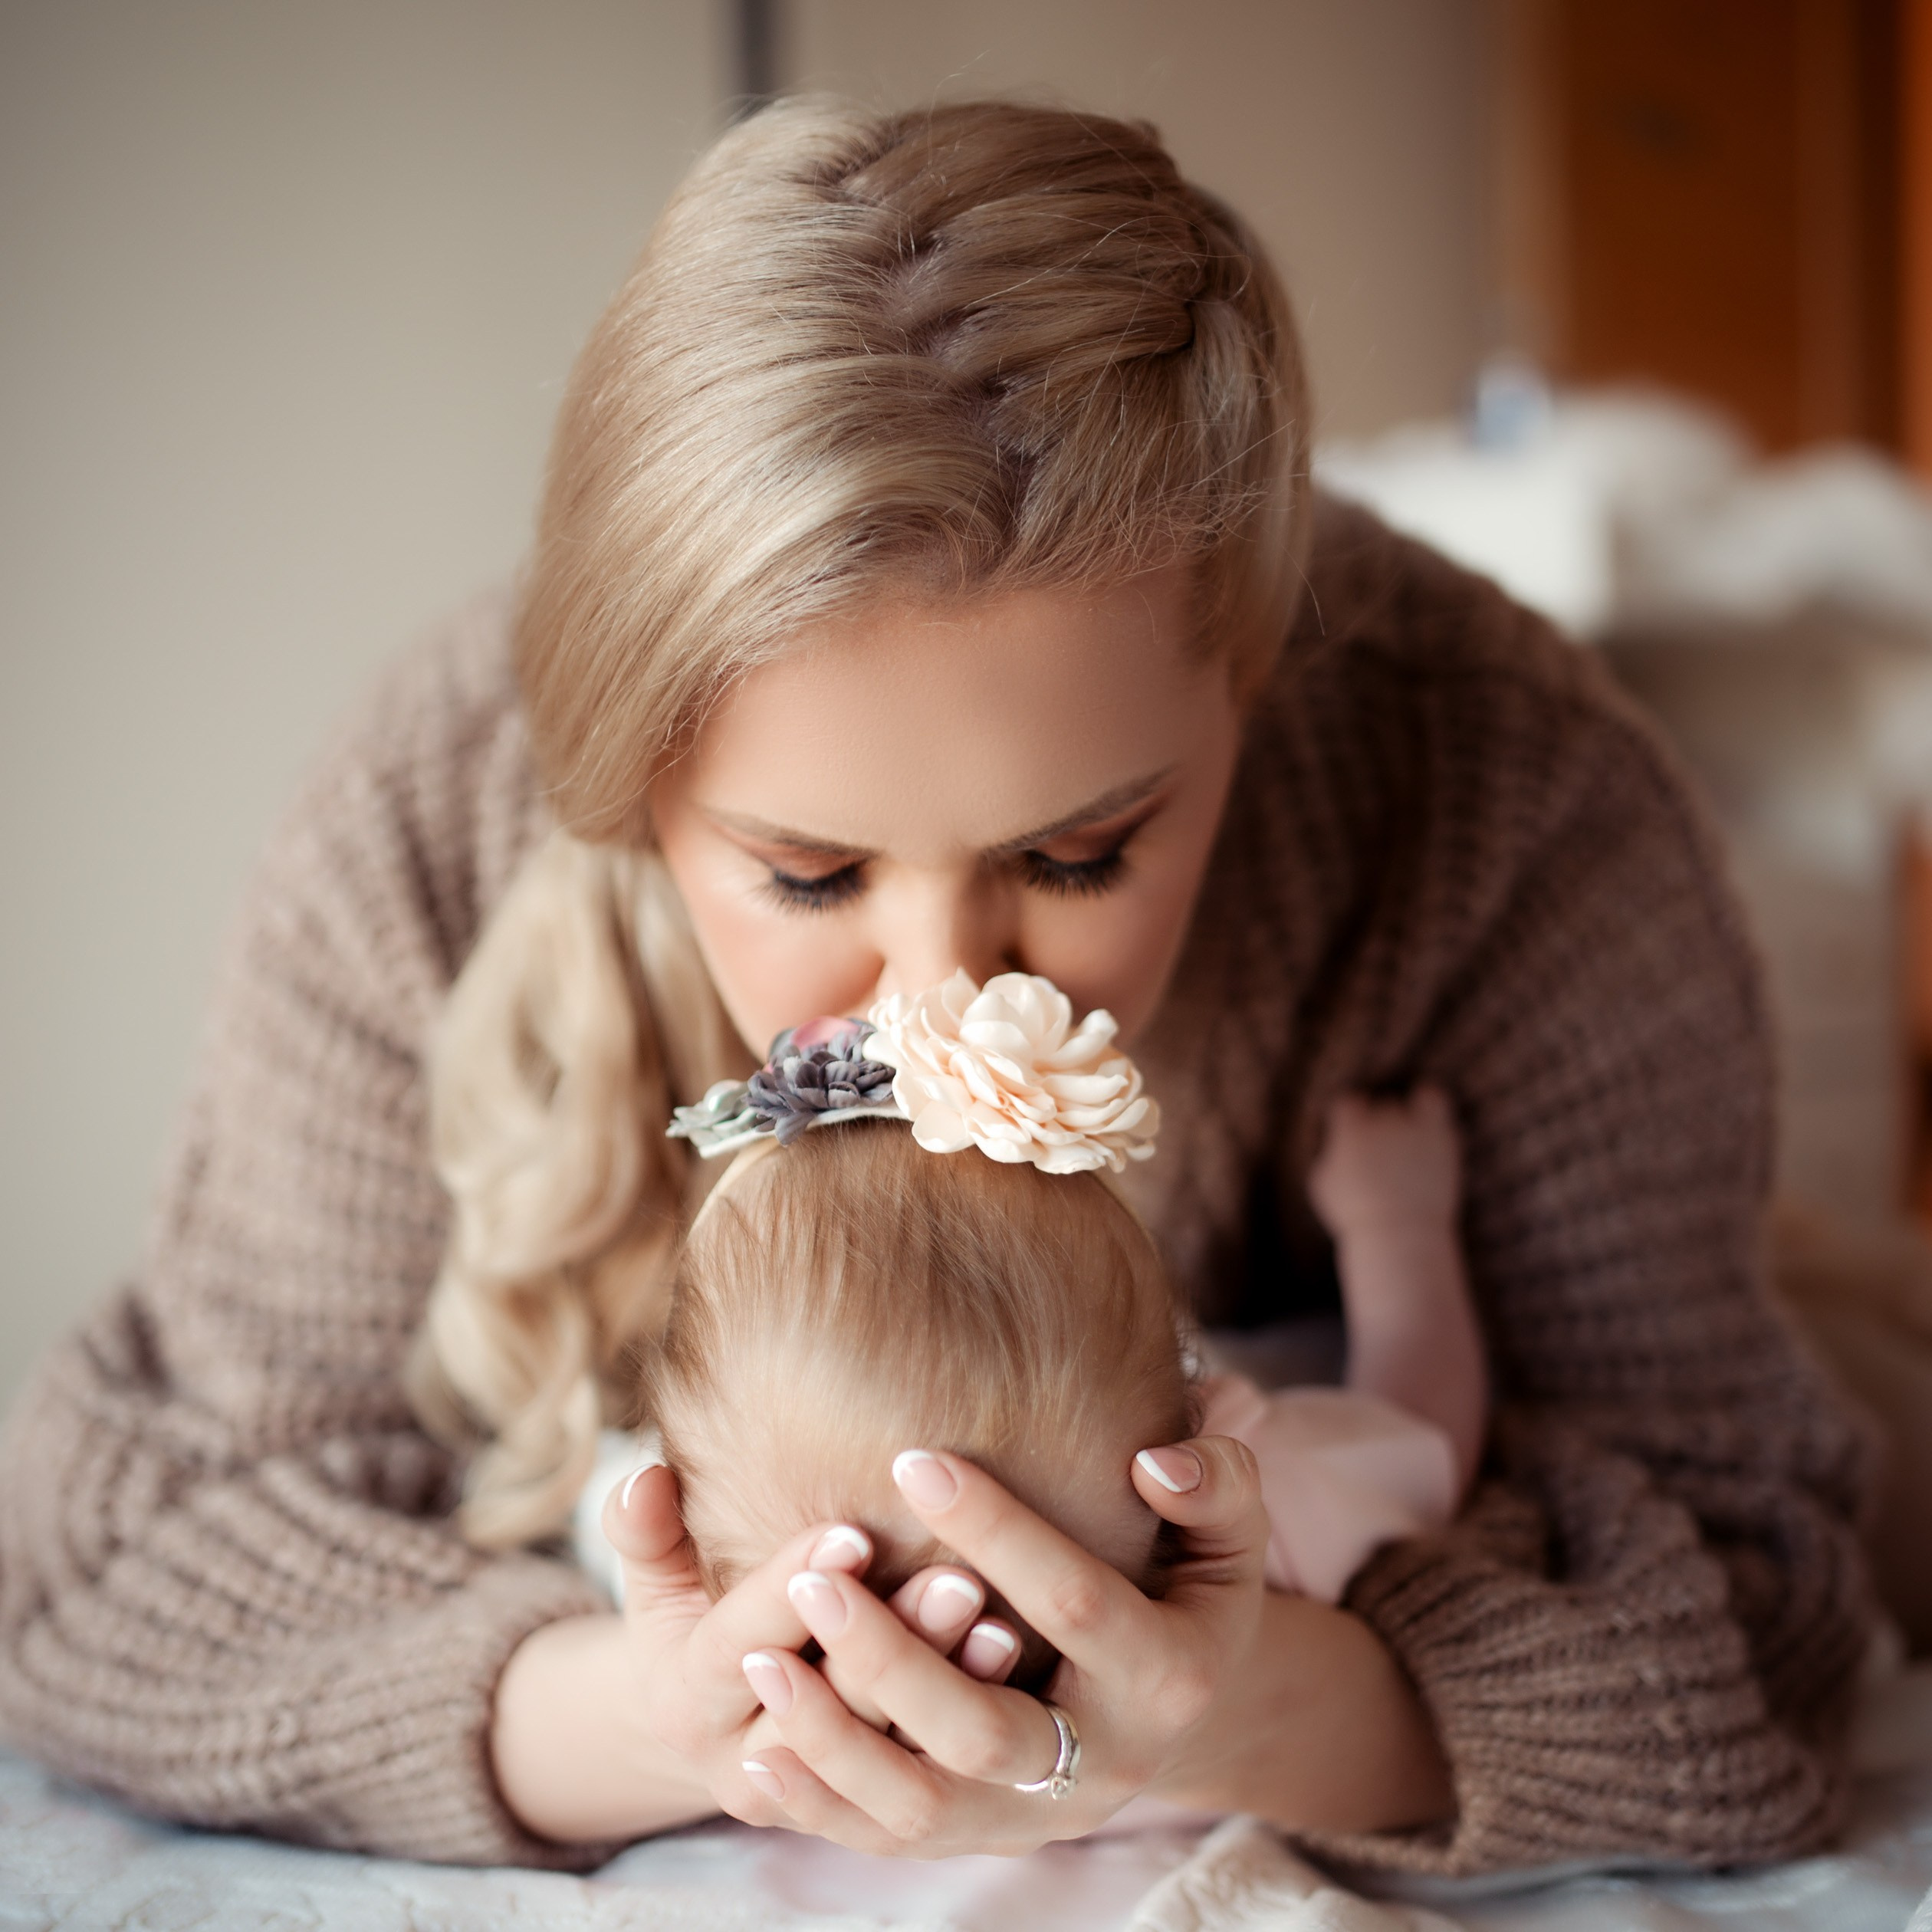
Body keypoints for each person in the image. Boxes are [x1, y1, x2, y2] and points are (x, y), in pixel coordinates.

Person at [0, 98, 1872, 1877]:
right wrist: (657, 1723)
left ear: (1258, 685)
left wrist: (1242, 1717)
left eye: (1078, 854)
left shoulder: (1509, 796)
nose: (938, 997)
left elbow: (1764, 1609)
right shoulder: (432, 821)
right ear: (631, 798)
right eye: (808, 873)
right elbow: (120, 1572)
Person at [621, 984, 1480, 1727]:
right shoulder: (1268, 1510)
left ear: (681, 1530)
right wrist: (1396, 1229)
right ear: (1210, 1421)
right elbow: (1423, 1434)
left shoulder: (680, 1600)